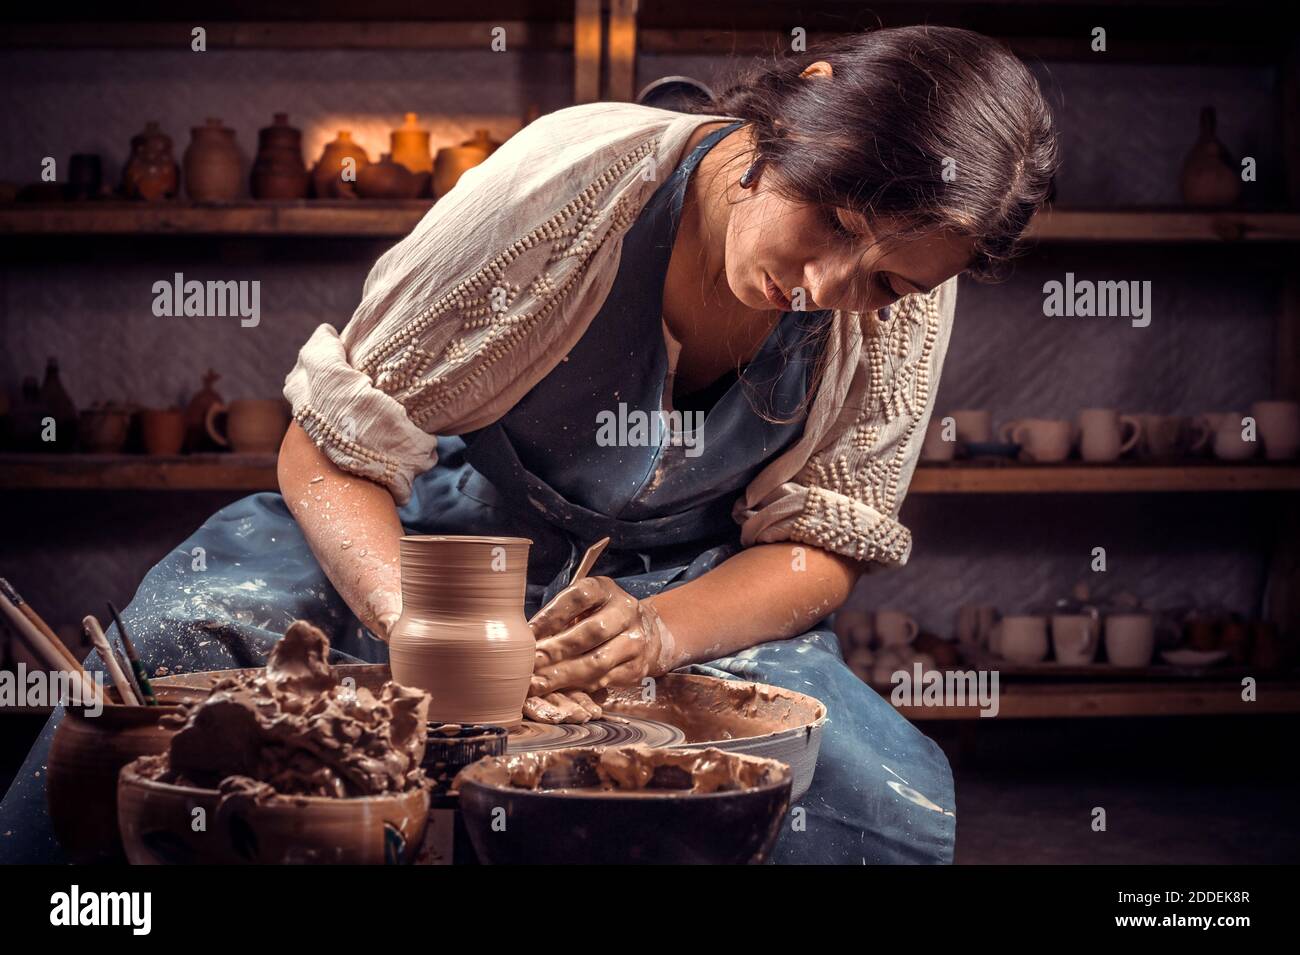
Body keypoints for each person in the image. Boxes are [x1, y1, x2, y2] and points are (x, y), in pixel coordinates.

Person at [0, 25, 1058, 864]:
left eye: (882, 280)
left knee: (869, 792)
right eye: (826, 219)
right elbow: (328, 447)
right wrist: (413, 617)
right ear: (804, 112)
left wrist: (655, 635)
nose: (829, 288)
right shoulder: (570, 184)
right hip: (440, 539)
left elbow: (821, 546)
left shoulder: (910, 293)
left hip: (678, 587)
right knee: (182, 650)